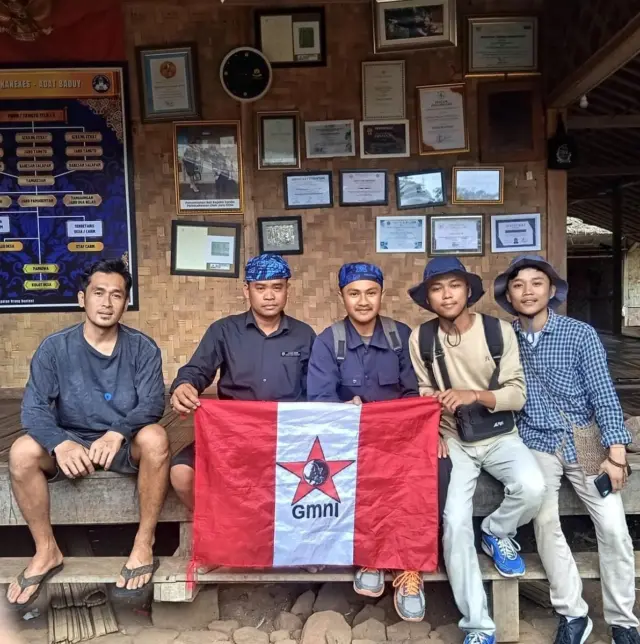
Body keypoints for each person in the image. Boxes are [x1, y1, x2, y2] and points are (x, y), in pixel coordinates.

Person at [494, 255, 639, 644]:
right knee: (545, 523)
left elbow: (604, 395)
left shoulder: (579, 334)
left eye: (536, 283)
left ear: (551, 291)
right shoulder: (504, 339)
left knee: (612, 527)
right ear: (508, 294)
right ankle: (573, 613)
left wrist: (616, 452)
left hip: (586, 437)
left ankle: (624, 621)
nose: (527, 290)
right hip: (536, 440)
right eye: (519, 284)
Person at [7, 259, 169, 607]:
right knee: (21, 451)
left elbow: (153, 403)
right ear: (82, 298)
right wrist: (59, 442)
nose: (107, 303)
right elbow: (33, 409)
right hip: (73, 443)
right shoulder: (55, 348)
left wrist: (117, 432)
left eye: (116, 295)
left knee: (156, 438)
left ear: (126, 303)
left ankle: (143, 543)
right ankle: (47, 549)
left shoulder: (142, 348)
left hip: (122, 444)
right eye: (98, 293)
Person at [407, 257, 545, 644]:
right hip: (454, 439)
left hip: (500, 435)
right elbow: (419, 390)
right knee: (453, 523)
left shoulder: (497, 331)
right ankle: (478, 625)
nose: (446, 294)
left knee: (533, 487)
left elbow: (517, 395)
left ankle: (496, 530)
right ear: (428, 298)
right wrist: (431, 412)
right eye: (437, 288)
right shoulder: (422, 338)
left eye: (454, 285)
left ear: (468, 291)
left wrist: (475, 395)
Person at [307, 262, 450, 623]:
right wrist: (342, 408)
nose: (363, 301)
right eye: (354, 293)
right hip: (350, 440)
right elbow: (318, 398)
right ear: (342, 297)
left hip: (400, 437)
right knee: (362, 473)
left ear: (381, 295)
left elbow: (415, 393)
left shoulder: (403, 337)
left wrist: (429, 433)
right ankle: (370, 555)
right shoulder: (328, 341)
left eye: (371, 292)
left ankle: (409, 566)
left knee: (433, 471)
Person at [169, 254, 316, 510]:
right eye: (260, 288)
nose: (269, 296)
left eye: (277, 287)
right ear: (246, 290)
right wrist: (184, 385)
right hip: (232, 434)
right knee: (182, 473)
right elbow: (197, 370)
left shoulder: (305, 335)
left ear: (287, 290)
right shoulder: (223, 331)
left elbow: (317, 390)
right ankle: (219, 531)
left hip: (289, 436)